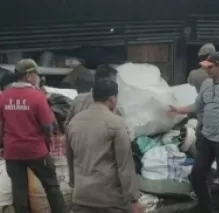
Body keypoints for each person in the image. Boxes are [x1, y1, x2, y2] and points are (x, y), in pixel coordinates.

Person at [169, 52, 219, 213]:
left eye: (210, 67)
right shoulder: (206, 84)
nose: (207, 71)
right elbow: (197, 106)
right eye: (205, 67)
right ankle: (205, 205)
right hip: (207, 137)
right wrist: (178, 110)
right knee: (197, 174)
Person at [66, 79, 142, 213]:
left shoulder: (74, 122)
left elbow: (70, 158)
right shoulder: (116, 123)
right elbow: (125, 165)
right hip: (108, 199)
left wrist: (74, 185)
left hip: (81, 196)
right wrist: (133, 199)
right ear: (112, 98)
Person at [0, 59, 65, 213]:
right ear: (29, 75)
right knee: (51, 184)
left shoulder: (4, 96)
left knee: (19, 188)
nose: (38, 77)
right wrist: (48, 137)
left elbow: (1, 125)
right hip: (36, 151)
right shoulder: (37, 96)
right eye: (36, 74)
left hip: (12, 152)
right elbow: (49, 126)